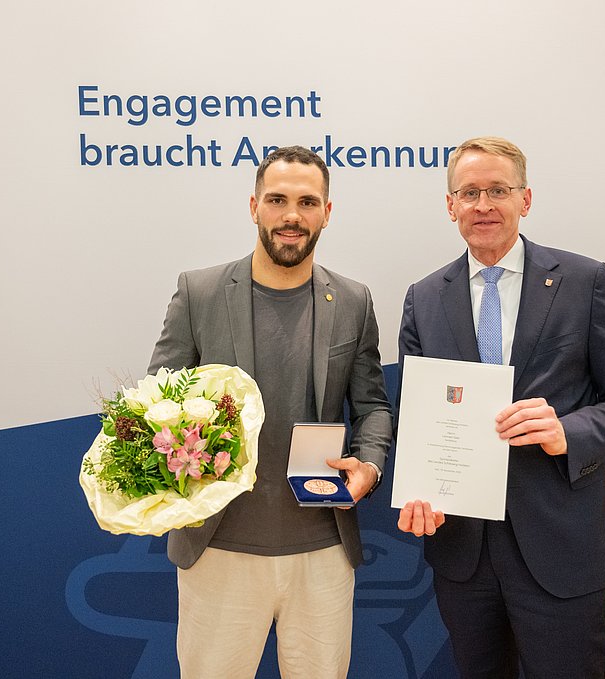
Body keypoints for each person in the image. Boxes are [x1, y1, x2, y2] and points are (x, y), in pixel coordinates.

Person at [396, 136, 605, 678]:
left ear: (526, 199)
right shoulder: (424, 297)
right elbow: (417, 417)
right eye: (469, 193)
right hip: (463, 553)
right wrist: (421, 487)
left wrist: (568, 432)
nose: (483, 205)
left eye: (498, 190)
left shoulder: (585, 281)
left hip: (563, 547)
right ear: (450, 205)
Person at [148, 145, 392, 679]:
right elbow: (157, 404)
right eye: (278, 200)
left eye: (308, 202)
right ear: (254, 206)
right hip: (218, 548)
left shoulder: (354, 301)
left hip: (322, 550)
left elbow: (372, 405)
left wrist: (369, 466)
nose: (291, 216)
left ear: (327, 212)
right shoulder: (199, 293)